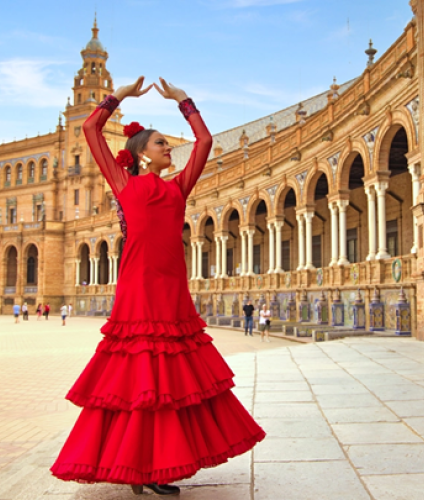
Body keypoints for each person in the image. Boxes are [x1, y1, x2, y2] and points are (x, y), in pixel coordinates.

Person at [50, 77, 265, 496]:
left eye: (167, 145)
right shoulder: (123, 183)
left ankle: (158, 465)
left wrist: (185, 103)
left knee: (169, 381)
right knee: (138, 379)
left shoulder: (177, 188)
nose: (169, 149)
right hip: (137, 289)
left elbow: (203, 143)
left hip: (172, 289)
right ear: (141, 155)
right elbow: (90, 130)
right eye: (161, 144)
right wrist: (119, 99)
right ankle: (138, 466)